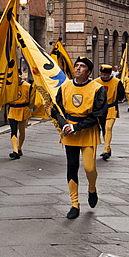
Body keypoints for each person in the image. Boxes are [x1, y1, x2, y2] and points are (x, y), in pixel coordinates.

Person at [52, 57, 108, 219]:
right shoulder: (65, 87)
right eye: (76, 65)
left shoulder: (97, 89)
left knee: (89, 168)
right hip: (69, 133)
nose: (77, 68)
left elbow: (99, 114)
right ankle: (74, 204)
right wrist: (64, 125)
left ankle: (92, 188)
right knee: (72, 166)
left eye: (82, 66)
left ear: (88, 72)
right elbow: (56, 109)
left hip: (87, 132)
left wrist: (77, 127)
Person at [97, 64, 125, 161]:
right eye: (102, 74)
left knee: (108, 127)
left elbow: (121, 96)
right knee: (103, 129)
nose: (103, 76)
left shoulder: (117, 82)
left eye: (105, 74)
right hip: (100, 110)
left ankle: (106, 149)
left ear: (110, 74)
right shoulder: (96, 82)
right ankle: (108, 148)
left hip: (111, 108)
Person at [6, 69, 35, 159]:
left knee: (22, 131)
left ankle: (19, 148)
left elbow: (32, 97)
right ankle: (15, 151)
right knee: (13, 130)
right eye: (16, 74)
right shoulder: (9, 86)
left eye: (20, 74)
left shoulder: (27, 86)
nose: (18, 76)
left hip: (23, 109)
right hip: (13, 110)